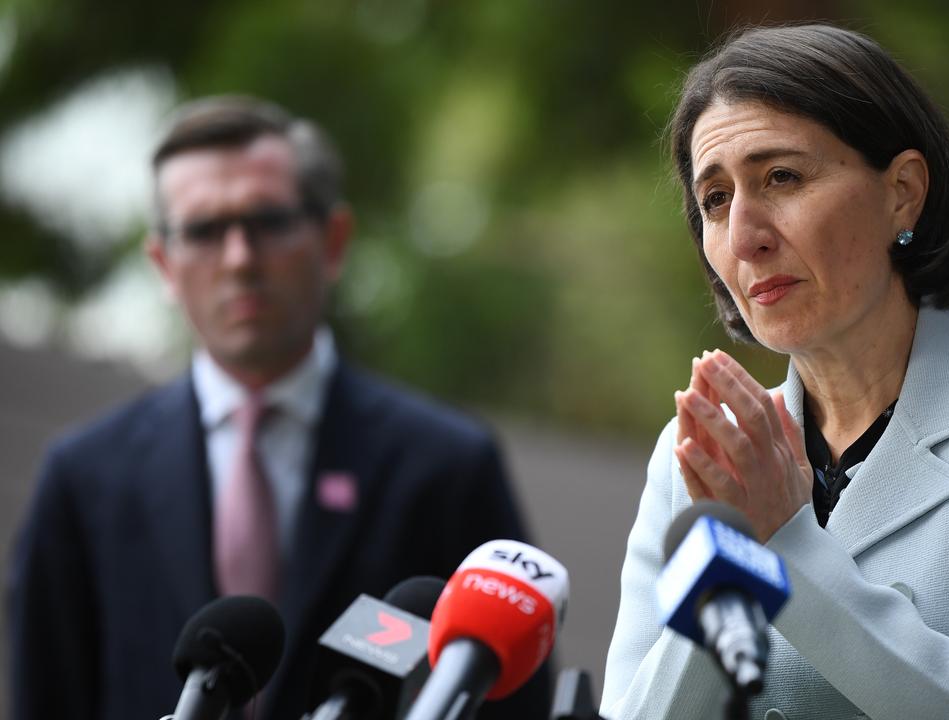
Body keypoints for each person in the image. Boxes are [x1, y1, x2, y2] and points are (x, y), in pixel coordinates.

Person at [602, 24, 949, 720]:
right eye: (715, 200)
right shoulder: (697, 459)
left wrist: (789, 548)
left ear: (902, 192)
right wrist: (728, 558)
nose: (745, 236)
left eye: (781, 177)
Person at [7, 96, 550, 720]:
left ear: (334, 240)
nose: (239, 258)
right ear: (162, 263)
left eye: (267, 222)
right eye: (204, 231)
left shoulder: (447, 467)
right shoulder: (83, 479)